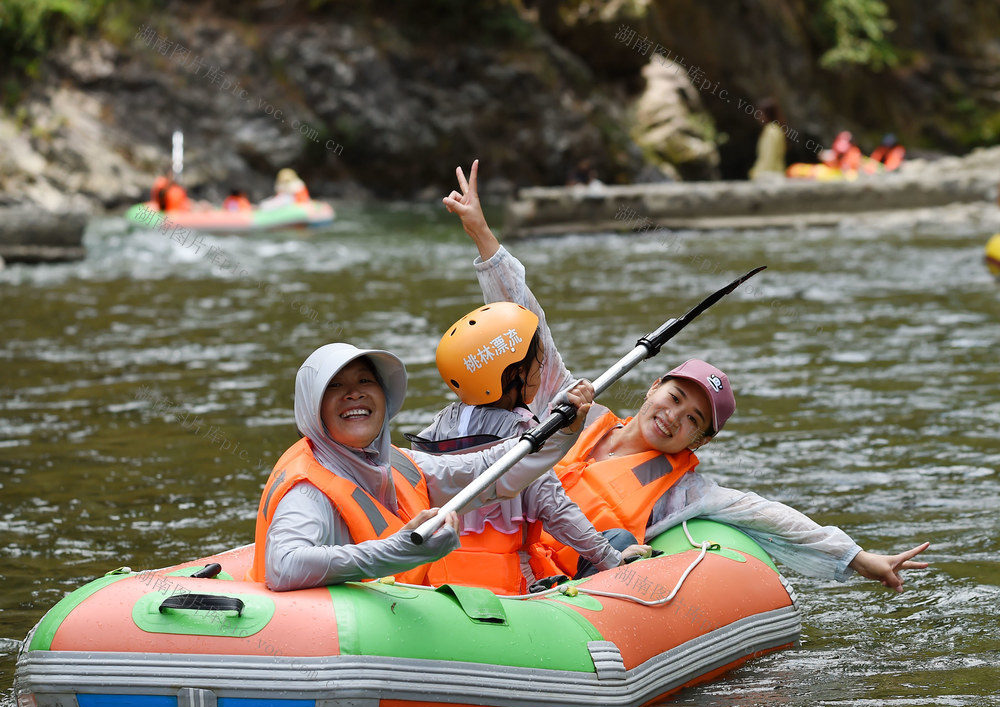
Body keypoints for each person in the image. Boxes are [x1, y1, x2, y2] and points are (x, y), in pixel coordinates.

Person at [441, 160, 931, 593]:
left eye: (694, 419)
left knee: (616, 543)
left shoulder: (684, 491)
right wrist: (483, 237)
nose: (674, 417)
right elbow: (530, 330)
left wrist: (858, 557)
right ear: (654, 388)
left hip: (559, 587)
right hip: (491, 549)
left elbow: (768, 515)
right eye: (675, 398)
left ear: (701, 441)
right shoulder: (572, 409)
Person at [247, 342, 596, 592]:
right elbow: (285, 566)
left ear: (384, 396)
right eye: (335, 387)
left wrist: (558, 429)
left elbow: (490, 469)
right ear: (313, 409)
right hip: (327, 637)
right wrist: (401, 550)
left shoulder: (399, 462)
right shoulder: (308, 488)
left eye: (365, 382)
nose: (354, 394)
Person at [409, 301, 650, 594]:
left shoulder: (440, 424)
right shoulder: (524, 439)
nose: (541, 367)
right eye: (537, 362)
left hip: (433, 584)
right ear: (516, 375)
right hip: (508, 593)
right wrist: (613, 559)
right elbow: (558, 511)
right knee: (620, 539)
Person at [748, 98, 787, 181]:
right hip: (777, 173)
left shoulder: (771, 131)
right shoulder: (776, 129)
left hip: (770, 176)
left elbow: (768, 157)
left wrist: (755, 173)